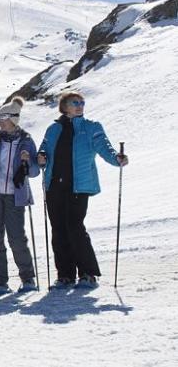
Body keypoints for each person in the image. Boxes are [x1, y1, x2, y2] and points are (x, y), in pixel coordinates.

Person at [38, 91, 128, 289]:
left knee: (74, 226)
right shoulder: (53, 129)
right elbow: (43, 150)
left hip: (78, 185)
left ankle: (88, 274)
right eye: (75, 102)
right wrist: (40, 158)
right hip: (54, 186)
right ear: (64, 107)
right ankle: (65, 275)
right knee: (59, 229)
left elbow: (105, 147)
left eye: (82, 102)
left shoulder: (91, 127)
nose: (80, 105)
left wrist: (117, 159)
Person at [0, 97, 39, 295]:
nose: (0, 122)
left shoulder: (27, 141)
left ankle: (27, 278)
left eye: (3, 118)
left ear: (14, 119)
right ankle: (0, 282)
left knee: (17, 238)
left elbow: (36, 171)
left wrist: (28, 162)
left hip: (15, 195)